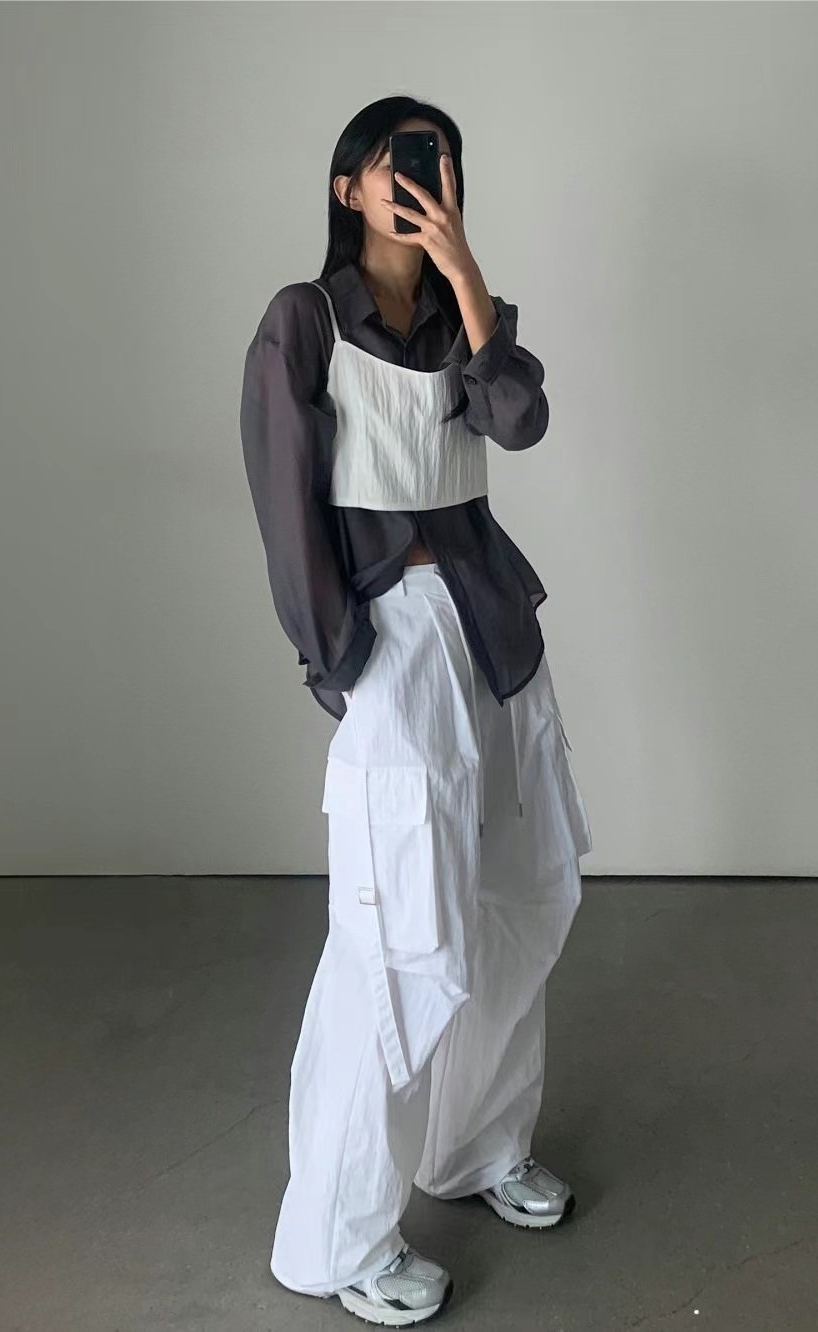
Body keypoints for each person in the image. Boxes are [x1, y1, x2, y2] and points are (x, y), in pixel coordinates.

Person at [239, 95, 593, 1326]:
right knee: (395, 938)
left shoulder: (461, 318)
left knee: (524, 892)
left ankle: (476, 1146)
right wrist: (337, 660)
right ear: (348, 186)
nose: (420, 180)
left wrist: (468, 276)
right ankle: (336, 1238)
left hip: (494, 628)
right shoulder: (303, 321)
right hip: (393, 634)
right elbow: (285, 499)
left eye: (439, 164)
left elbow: (519, 421)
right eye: (398, 163)